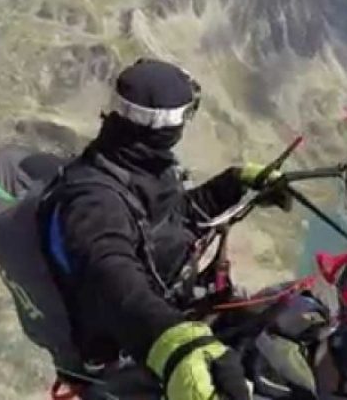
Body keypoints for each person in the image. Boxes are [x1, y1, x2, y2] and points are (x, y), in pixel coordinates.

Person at [39, 58, 291, 400]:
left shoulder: (137, 166)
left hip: (168, 313)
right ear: (165, 128)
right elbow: (110, 272)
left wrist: (233, 184)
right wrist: (171, 342)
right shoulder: (93, 199)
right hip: (126, 352)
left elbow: (170, 221)